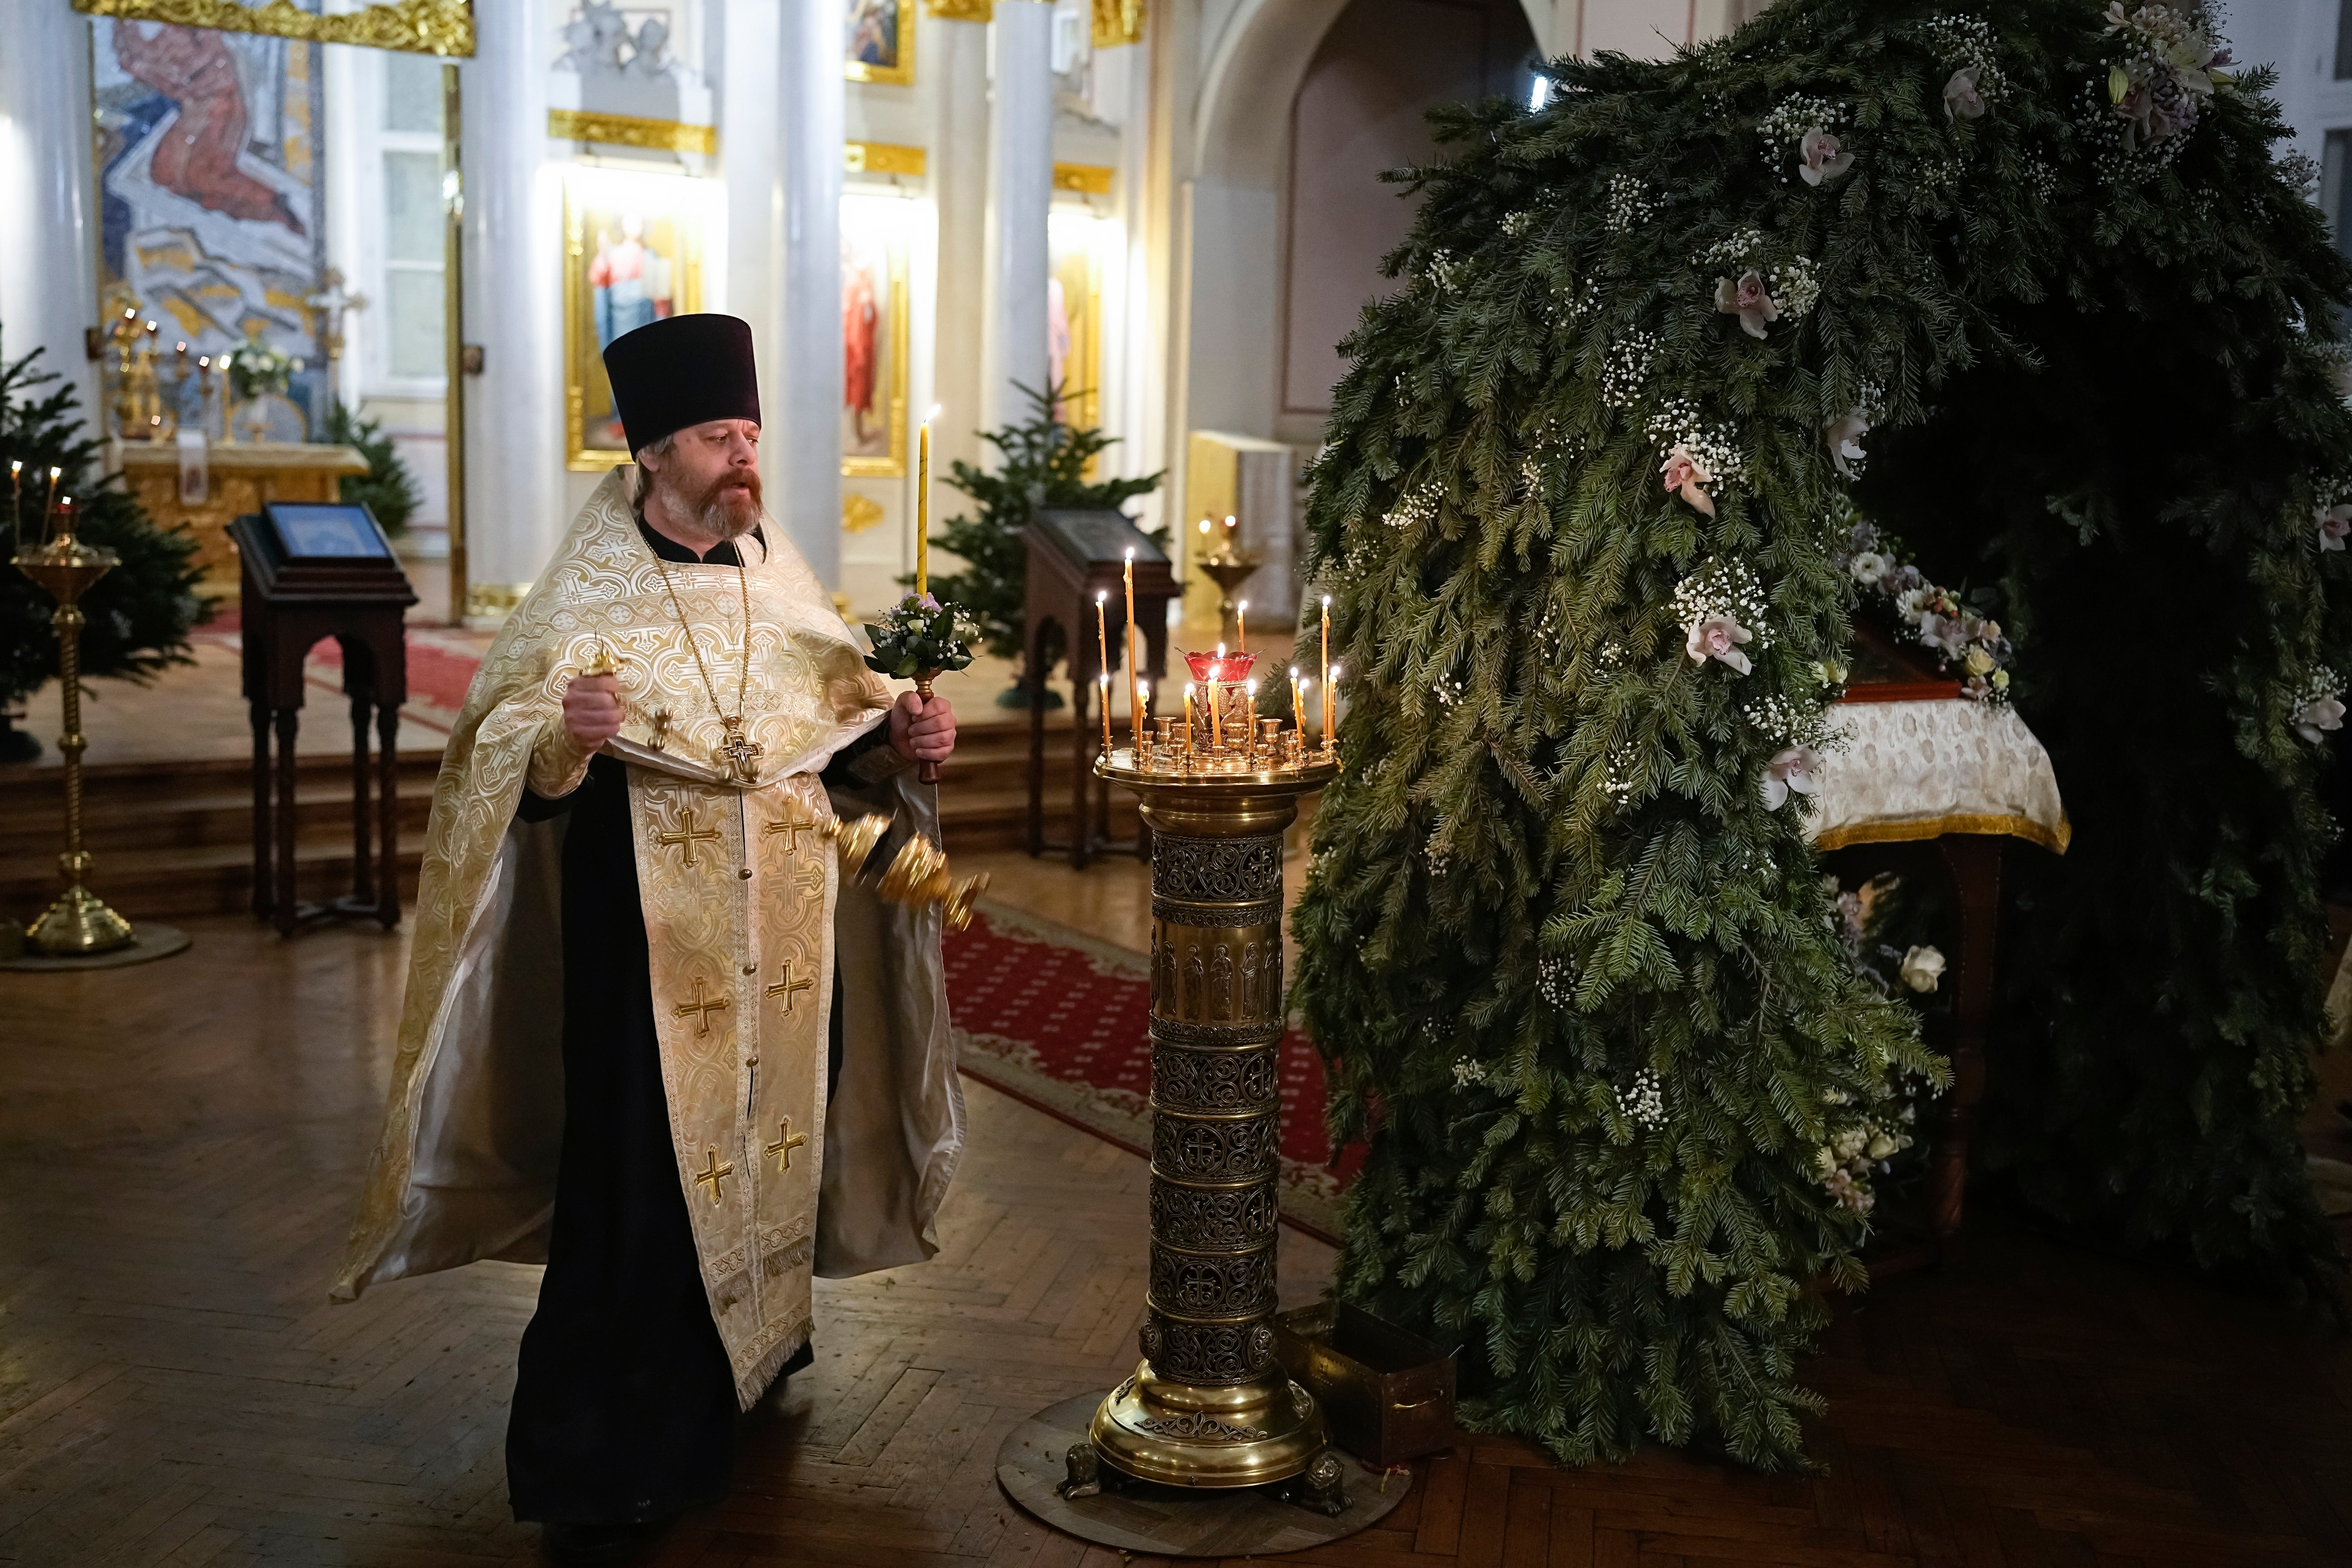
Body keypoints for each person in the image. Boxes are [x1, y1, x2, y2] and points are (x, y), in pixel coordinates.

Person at [332, 313, 965, 1567]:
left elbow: (838, 714)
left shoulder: (776, 564)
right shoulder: (586, 586)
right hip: (646, 945)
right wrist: (562, 733)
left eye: (751, 436)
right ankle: (607, 1461)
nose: (747, 459)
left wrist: (902, 741)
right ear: (658, 452)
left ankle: (763, 1344)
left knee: (782, 1136)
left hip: (788, 930)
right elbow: (498, 755)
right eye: (723, 440)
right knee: (638, 1180)